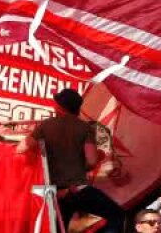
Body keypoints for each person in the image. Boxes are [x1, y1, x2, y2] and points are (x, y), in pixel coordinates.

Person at [17, 88, 123, 232]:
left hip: (55, 192)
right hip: (77, 189)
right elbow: (91, 161)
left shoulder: (46, 125)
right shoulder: (85, 128)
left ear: (59, 106)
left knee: (58, 228)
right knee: (116, 214)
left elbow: (22, 148)